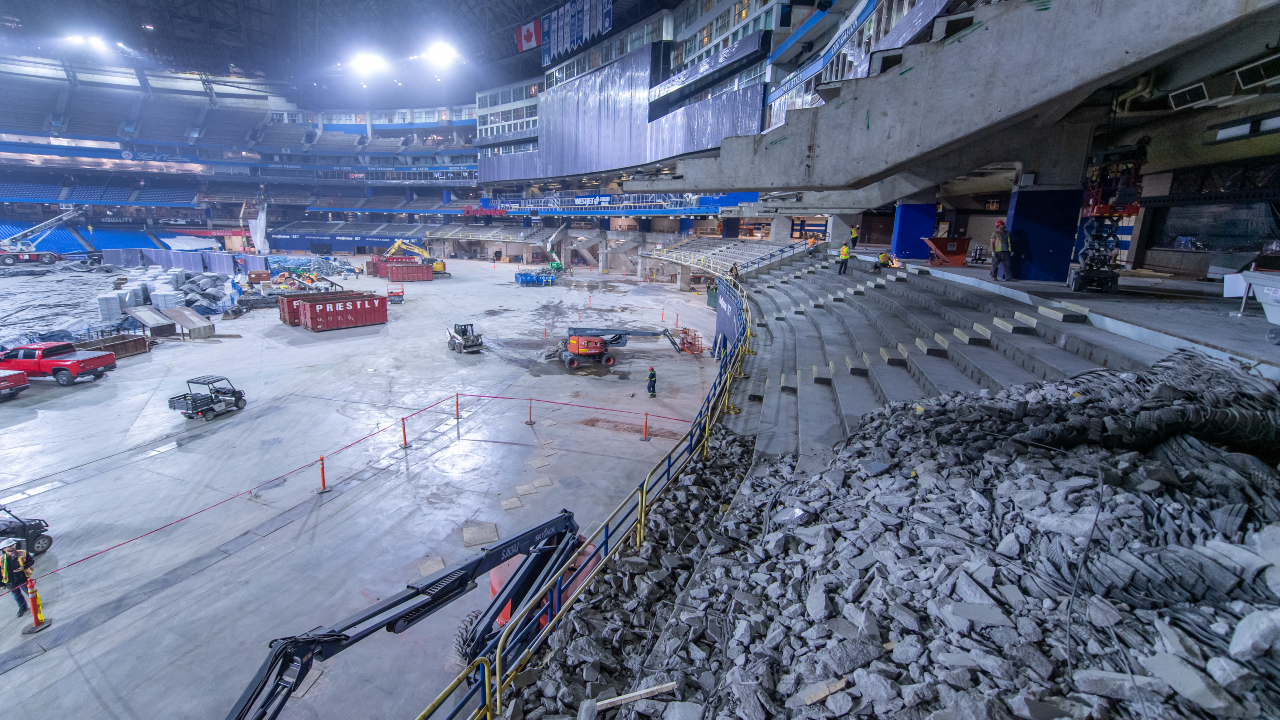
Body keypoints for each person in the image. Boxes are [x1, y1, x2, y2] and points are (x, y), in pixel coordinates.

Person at [1, 539, 33, 618]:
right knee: (16, 595)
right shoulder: (1, 559)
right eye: (9, 546)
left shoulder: (23, 553)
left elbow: (31, 561)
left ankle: (35, 604)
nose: (12, 547)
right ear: (4, 549)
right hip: (10, 582)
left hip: (23, 578)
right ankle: (23, 607)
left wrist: (24, 567)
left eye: (12, 545)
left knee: (30, 593)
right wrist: (1, 584)